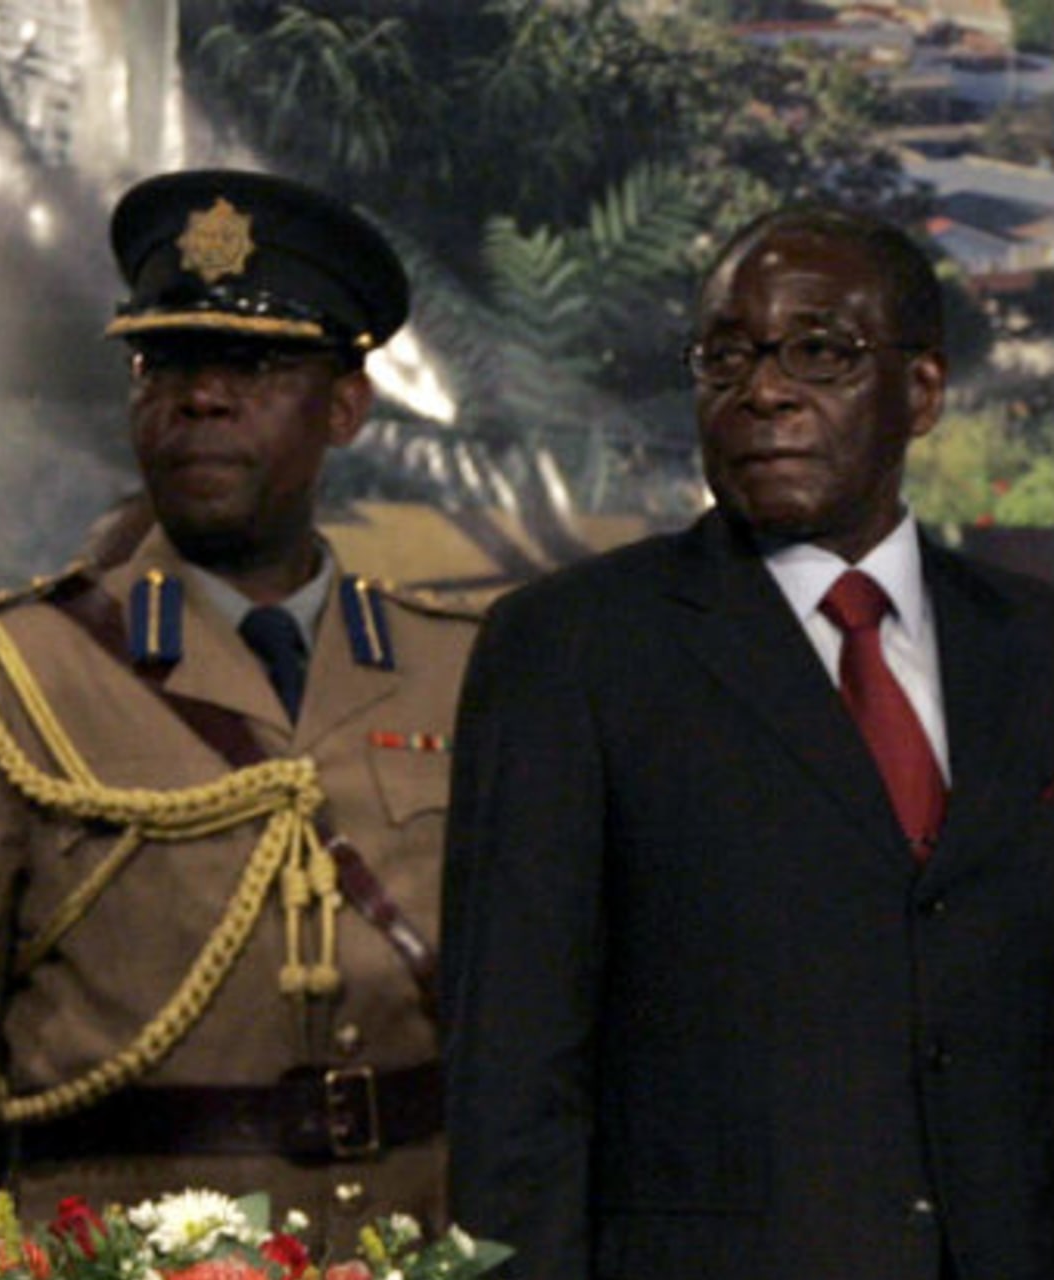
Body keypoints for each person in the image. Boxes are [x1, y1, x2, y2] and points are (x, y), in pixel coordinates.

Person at [0, 169, 481, 1278]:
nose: (202, 397)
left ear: (347, 406)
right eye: (167, 364)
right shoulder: (7, 677)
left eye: (253, 364)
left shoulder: (464, 672)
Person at [442, 204, 1054, 1280]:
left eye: (820, 350)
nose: (763, 389)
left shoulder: (1036, 647)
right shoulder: (572, 648)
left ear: (920, 391)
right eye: (726, 355)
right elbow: (514, 1080)